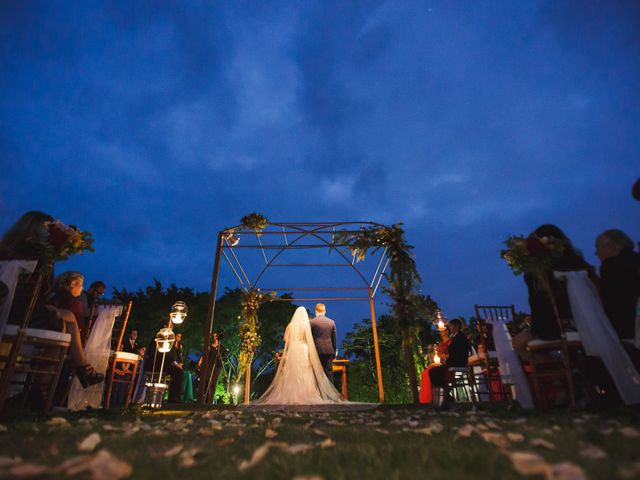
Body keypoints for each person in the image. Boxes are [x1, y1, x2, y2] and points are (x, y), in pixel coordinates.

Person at [0, 211, 104, 388]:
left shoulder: (6, 250)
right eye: (49, 228)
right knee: (64, 326)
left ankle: (81, 369)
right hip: (24, 315)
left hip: (6, 307)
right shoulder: (42, 256)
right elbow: (43, 293)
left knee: (65, 320)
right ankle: (42, 388)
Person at [512, 224, 595, 360]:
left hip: (553, 328)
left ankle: (562, 370)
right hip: (589, 320)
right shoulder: (581, 264)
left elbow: (539, 305)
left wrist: (536, 329)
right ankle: (571, 367)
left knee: (517, 343)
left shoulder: (537, 271)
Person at [250, 306, 344, 406]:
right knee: (305, 371)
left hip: (293, 349)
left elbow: (286, 339)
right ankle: (307, 395)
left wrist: (293, 341)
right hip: (303, 349)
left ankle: (291, 394)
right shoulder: (306, 325)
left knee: (292, 371)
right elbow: (310, 339)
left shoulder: (290, 325)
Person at [595, 229, 640, 340]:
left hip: (625, 328)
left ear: (612, 247)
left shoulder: (610, 265)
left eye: (598, 247)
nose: (596, 253)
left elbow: (610, 299)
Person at [428, 318, 470, 406]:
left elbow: (458, 353)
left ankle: (446, 395)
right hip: (454, 362)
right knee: (434, 371)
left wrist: (447, 360)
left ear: (457, 326)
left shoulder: (460, 337)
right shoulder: (456, 337)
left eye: (451, 326)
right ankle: (447, 394)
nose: (450, 328)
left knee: (433, 372)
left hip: (457, 363)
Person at [419, 326, 451, 404]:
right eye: (440, 332)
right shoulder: (440, 344)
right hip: (439, 363)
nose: (441, 333)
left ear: (447, 331)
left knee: (430, 372)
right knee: (425, 372)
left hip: (446, 364)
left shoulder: (451, 342)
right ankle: (426, 398)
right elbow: (438, 355)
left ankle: (432, 397)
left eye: (443, 331)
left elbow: (451, 354)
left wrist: (444, 356)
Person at [309, 303, 337, 381]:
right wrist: (334, 352)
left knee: (317, 373)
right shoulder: (331, 322)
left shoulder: (311, 322)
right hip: (329, 351)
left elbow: (310, 337)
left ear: (316, 311)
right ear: (325, 311)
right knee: (329, 373)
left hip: (316, 351)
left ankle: (319, 392)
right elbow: (334, 339)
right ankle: (330, 392)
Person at [198, 332, 227, 404]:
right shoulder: (209, 347)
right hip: (209, 366)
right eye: (213, 336)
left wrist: (221, 360)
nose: (214, 337)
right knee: (207, 381)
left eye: (215, 336)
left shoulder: (222, 348)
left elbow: (224, 358)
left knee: (213, 383)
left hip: (217, 366)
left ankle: (210, 401)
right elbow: (204, 355)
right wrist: (200, 362)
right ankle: (205, 398)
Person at [166, 331, 184, 403]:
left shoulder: (180, 346)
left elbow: (180, 357)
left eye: (180, 337)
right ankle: (173, 396)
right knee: (178, 373)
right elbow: (170, 357)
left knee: (182, 373)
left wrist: (181, 364)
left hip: (177, 365)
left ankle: (177, 396)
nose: (179, 338)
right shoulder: (170, 345)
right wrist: (176, 364)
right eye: (178, 336)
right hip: (170, 364)